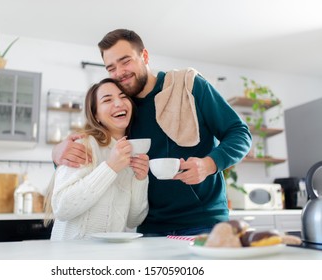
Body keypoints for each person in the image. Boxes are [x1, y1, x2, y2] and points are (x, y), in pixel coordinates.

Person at [52, 29, 252, 237]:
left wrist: (209, 164)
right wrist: (57, 154)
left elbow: (240, 133)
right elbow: (96, 154)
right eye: (111, 68)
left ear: (144, 56)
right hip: (149, 228)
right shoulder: (123, 113)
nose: (119, 72)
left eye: (125, 61)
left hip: (202, 221)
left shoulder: (188, 86)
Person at [46, 78, 149, 240]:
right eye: (107, 99)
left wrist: (141, 180)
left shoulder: (130, 153)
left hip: (110, 257)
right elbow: (61, 207)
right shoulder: (83, 144)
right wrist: (110, 168)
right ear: (96, 115)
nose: (118, 103)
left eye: (123, 97)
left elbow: (133, 220)